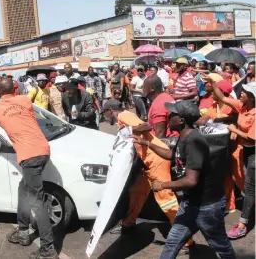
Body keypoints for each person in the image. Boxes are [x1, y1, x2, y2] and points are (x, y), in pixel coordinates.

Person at [0, 78, 58, 259]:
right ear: (14, 90)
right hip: (44, 150)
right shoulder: (24, 100)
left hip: (29, 156)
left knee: (37, 202)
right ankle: (23, 231)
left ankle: (48, 249)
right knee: (24, 189)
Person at [132, 100, 236, 259]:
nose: (169, 115)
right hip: (190, 203)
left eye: (173, 114)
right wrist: (147, 143)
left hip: (207, 206)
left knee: (220, 246)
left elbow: (191, 181)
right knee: (173, 241)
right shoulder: (184, 136)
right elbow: (172, 156)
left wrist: (163, 185)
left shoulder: (194, 140)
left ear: (181, 121)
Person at [103, 99, 194, 251]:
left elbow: (146, 126)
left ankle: (186, 240)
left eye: (104, 114)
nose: (105, 118)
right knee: (137, 191)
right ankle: (128, 223)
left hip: (156, 160)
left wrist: (129, 131)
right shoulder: (124, 118)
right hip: (147, 163)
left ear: (110, 111)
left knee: (167, 200)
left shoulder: (123, 116)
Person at [203, 74, 255, 239]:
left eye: (244, 91)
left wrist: (234, 129)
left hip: (254, 151)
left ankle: (242, 224)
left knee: (249, 187)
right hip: (246, 151)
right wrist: (212, 82)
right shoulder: (242, 106)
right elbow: (222, 98)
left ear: (252, 98)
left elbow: (252, 138)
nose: (240, 93)